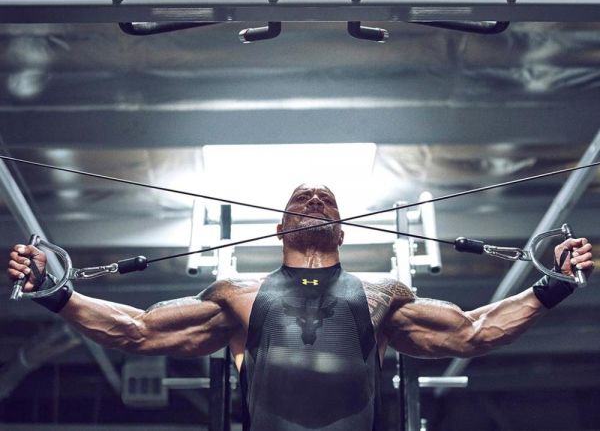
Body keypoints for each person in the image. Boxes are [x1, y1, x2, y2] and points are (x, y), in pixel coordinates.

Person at [7, 184, 594, 431]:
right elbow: (137, 331)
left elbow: (472, 331)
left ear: (341, 229)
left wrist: (555, 285)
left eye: (326, 200)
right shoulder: (236, 295)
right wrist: (55, 292)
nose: (314, 200)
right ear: (280, 227)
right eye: (302, 198)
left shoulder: (383, 293)